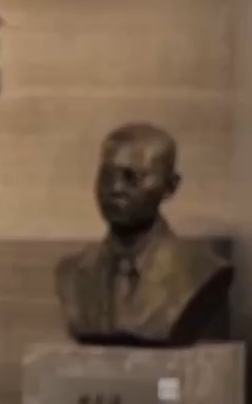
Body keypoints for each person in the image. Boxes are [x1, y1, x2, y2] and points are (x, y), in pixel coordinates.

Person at [55, 122, 232, 346]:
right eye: (107, 176)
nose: (115, 188)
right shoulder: (72, 273)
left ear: (170, 186)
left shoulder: (200, 272)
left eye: (132, 177)